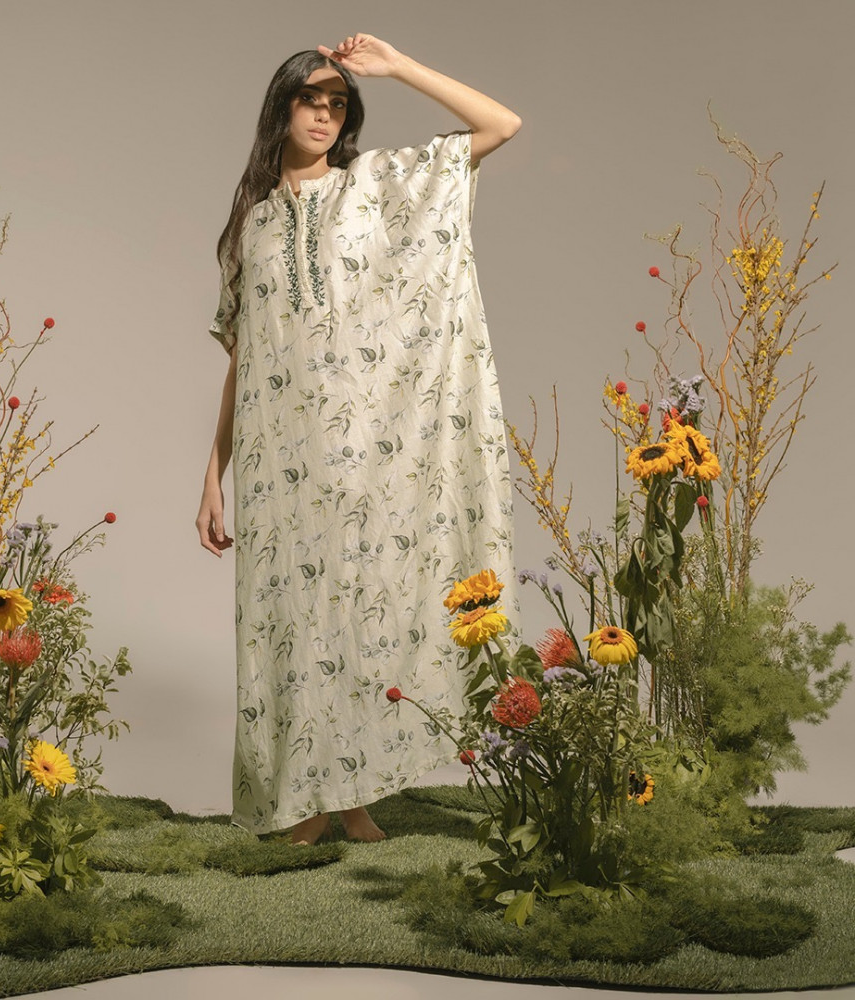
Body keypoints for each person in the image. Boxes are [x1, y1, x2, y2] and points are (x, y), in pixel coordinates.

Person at [197, 33, 521, 845]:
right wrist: (211, 474)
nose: (324, 114)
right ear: (281, 107)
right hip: (279, 459)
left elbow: (501, 124)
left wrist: (399, 66)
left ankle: (353, 796)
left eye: (338, 103)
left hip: (366, 450)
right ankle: (308, 801)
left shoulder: (375, 185)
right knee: (292, 617)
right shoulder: (251, 226)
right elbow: (244, 358)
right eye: (310, 98)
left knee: (362, 612)